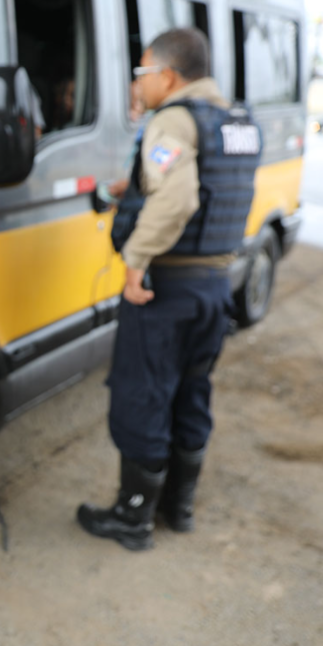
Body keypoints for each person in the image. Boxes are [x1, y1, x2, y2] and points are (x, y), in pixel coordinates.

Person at [77, 28, 262, 551]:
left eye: (141, 73)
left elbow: (177, 200)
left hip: (166, 290)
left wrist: (135, 260)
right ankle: (177, 508)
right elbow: (205, 190)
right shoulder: (233, 121)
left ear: (168, 76)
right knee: (191, 392)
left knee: (143, 396)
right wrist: (132, 188)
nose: (138, 84)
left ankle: (132, 519)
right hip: (212, 287)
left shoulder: (174, 120)